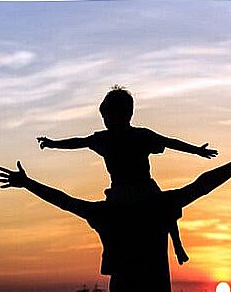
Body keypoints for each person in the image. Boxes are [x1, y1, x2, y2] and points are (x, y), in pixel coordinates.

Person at [0, 143, 231, 292]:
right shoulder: (158, 205)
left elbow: (66, 201)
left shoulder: (109, 212)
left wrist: (27, 183)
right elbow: (202, 185)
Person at [36, 85, 218, 265]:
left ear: (120, 114)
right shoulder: (128, 136)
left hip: (126, 192)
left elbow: (78, 142)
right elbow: (169, 142)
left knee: (164, 208)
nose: (105, 121)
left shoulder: (115, 138)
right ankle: (177, 246)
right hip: (135, 190)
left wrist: (53, 144)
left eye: (106, 116)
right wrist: (196, 151)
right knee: (166, 207)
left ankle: (177, 246)